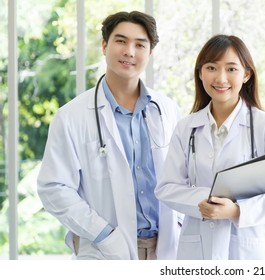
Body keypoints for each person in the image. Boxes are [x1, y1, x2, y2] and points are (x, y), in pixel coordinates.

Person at [37, 11, 181, 260]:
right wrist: (104, 234)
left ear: (150, 53)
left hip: (166, 249)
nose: (129, 51)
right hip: (104, 251)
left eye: (140, 44)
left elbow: (183, 175)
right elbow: (54, 187)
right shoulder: (72, 116)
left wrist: (179, 223)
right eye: (121, 41)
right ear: (105, 46)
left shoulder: (167, 110)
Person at [155, 34, 265, 260]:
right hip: (197, 252)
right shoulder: (186, 128)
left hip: (252, 252)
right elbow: (166, 187)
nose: (221, 78)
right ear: (200, 72)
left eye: (231, 69)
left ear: (246, 74)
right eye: (212, 67)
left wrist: (236, 211)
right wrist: (203, 201)